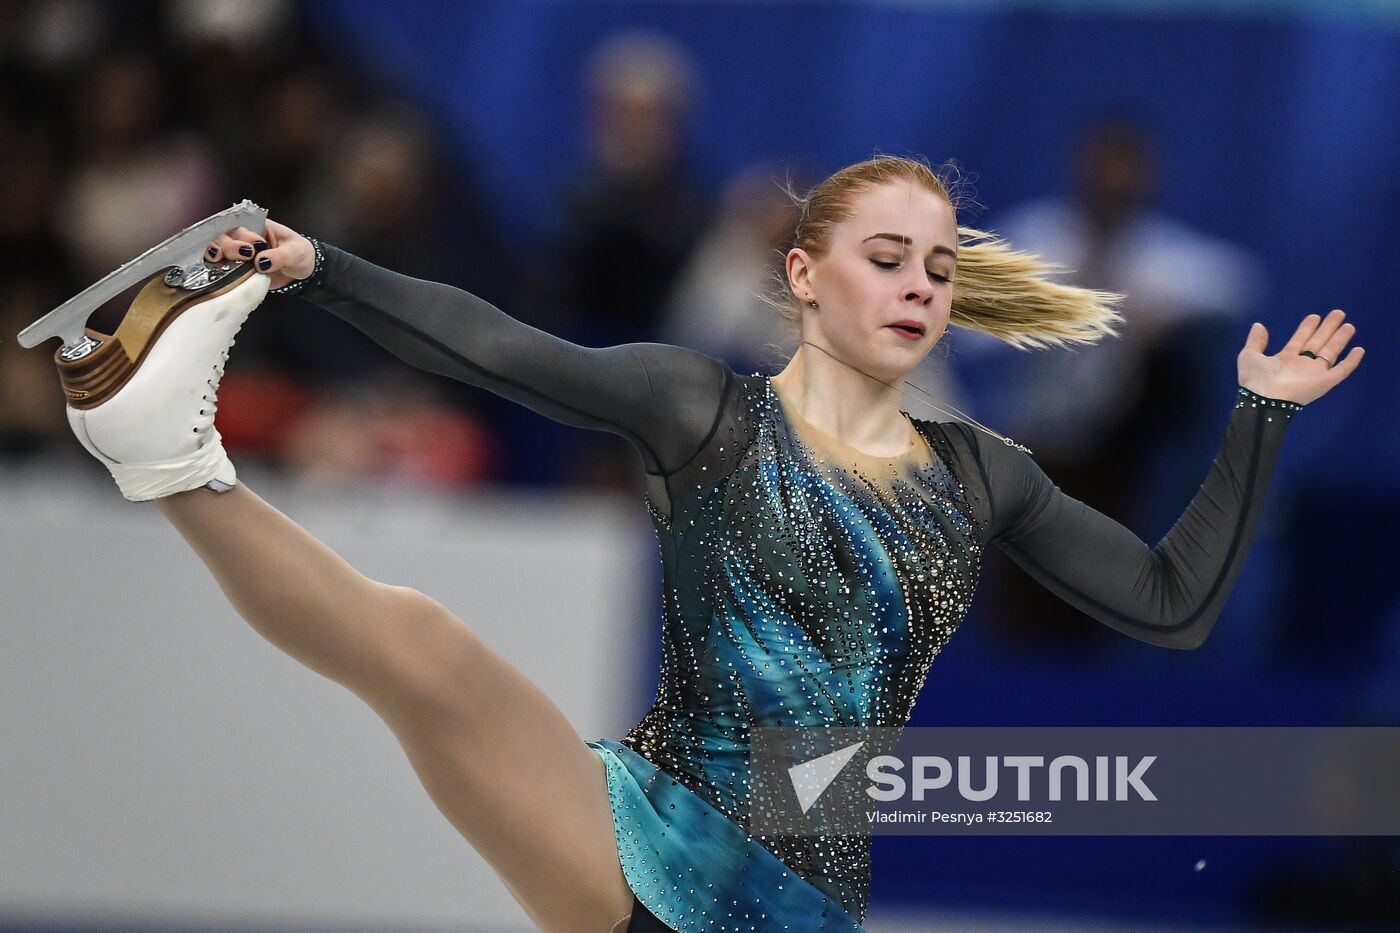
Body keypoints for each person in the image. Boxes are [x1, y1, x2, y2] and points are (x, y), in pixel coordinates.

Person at [42, 155, 1362, 932]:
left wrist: (1258, 416)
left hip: (788, 899)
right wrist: (320, 264)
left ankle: (166, 461)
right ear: (803, 276)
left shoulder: (982, 476)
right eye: (887, 258)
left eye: (938, 269)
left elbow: (1173, 602)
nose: (917, 287)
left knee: (423, 656)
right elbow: (497, 345)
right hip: (652, 830)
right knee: (424, 649)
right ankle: (166, 457)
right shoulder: (703, 409)